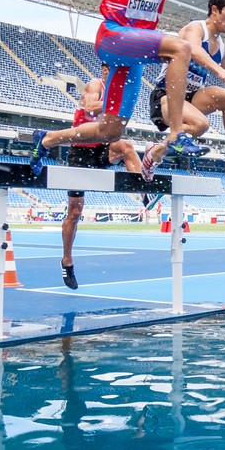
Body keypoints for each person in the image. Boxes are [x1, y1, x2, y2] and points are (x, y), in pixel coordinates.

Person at [30, 0, 225, 176]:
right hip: (113, 36)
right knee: (181, 48)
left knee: (111, 130)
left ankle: (48, 139)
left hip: (136, 51)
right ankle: (175, 135)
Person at [147, 0, 225, 174]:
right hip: (166, 96)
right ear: (215, 10)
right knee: (200, 125)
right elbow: (193, 49)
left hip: (192, 98)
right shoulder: (196, 28)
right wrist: (219, 71)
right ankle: (155, 153)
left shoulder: (223, 48)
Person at [60, 77, 143, 290]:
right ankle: (67, 260)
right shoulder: (96, 85)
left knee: (126, 147)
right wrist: (117, 105)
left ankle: (144, 190)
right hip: (80, 152)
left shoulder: (120, 91)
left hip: (100, 150)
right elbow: (89, 107)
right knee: (75, 212)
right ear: (106, 69)